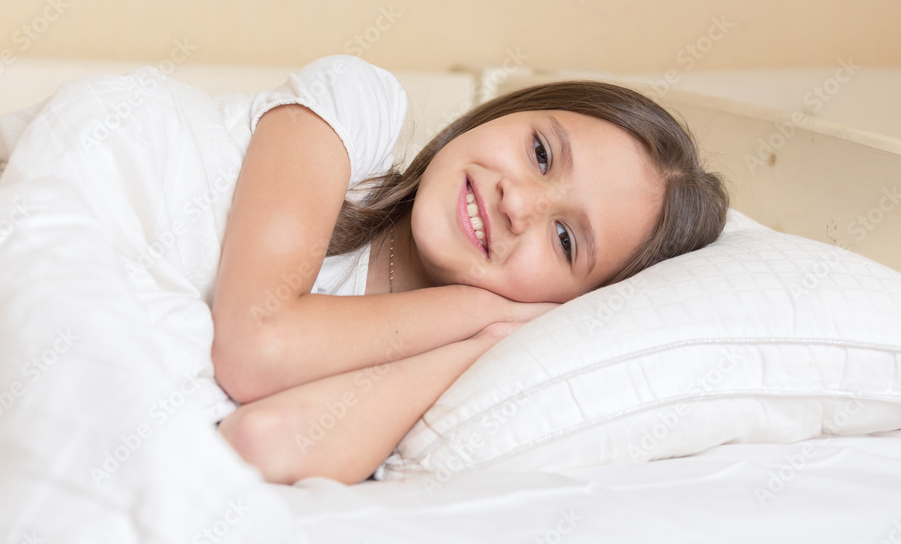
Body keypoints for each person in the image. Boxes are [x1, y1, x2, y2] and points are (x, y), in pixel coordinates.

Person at [209, 55, 728, 485]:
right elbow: (257, 347)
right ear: (503, 115)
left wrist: (488, 342)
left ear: (568, 304)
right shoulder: (355, 107)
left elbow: (258, 444)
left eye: (565, 240)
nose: (517, 201)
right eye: (541, 153)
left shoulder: (459, 368)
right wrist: (481, 305)